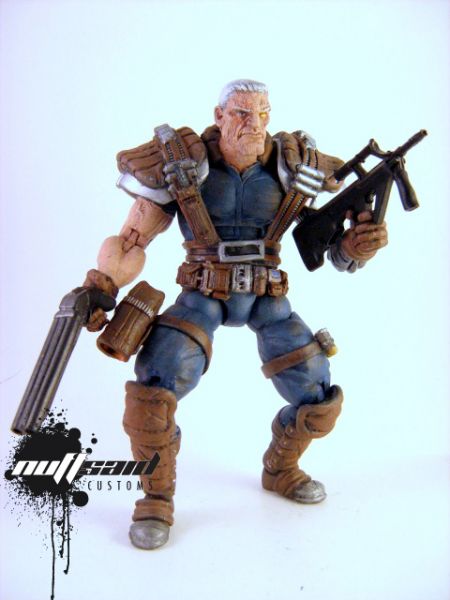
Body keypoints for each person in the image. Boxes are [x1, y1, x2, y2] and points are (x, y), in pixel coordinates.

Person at [83, 79, 388, 550]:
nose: (255, 124)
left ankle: (281, 468)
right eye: (243, 113)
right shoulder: (182, 163)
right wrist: (101, 286)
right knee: (156, 384)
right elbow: (132, 239)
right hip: (203, 293)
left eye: (263, 113)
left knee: (315, 386)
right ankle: (156, 497)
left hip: (267, 295)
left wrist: (355, 247)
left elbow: (331, 249)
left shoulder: (295, 167)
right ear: (219, 115)